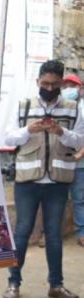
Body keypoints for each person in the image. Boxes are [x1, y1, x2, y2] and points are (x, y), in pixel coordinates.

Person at [2, 59, 84, 298]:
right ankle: (13, 283)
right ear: (38, 81)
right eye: (44, 83)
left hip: (58, 182)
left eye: (54, 84)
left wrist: (62, 132)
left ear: (60, 83)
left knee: (53, 234)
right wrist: (30, 130)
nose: (48, 88)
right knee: (22, 231)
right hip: (27, 181)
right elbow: (8, 138)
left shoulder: (72, 107)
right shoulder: (24, 106)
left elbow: (79, 141)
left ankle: (56, 285)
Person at [63, 73, 84, 246]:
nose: (68, 89)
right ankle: (49, 234)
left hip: (79, 163)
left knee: (79, 198)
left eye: (72, 85)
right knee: (54, 200)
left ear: (80, 89)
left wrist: (81, 154)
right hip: (60, 163)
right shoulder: (58, 106)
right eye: (65, 85)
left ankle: (82, 233)